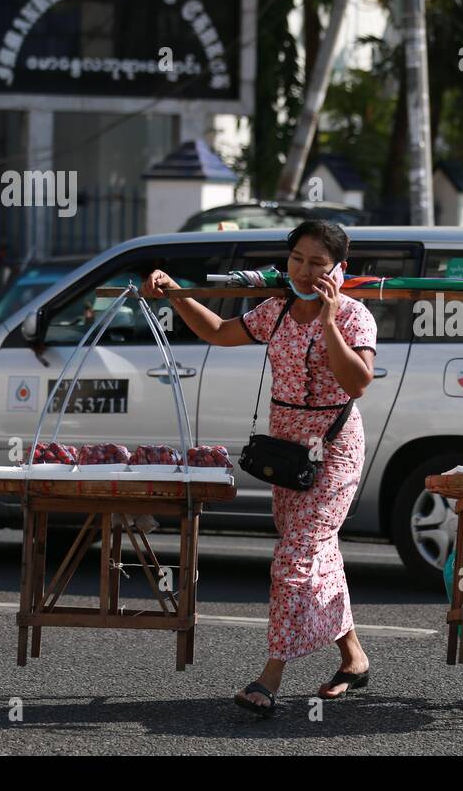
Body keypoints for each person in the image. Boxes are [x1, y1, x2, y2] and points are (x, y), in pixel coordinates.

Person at [142, 220, 377, 716]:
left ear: (339, 269)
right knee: (317, 551)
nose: (305, 270)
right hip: (284, 455)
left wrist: (330, 320)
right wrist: (177, 294)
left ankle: (269, 679)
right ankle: (353, 658)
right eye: (297, 259)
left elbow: (357, 382)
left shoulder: (355, 317)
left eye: (318, 263)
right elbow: (218, 332)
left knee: (294, 559)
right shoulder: (276, 310)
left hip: (332, 451)